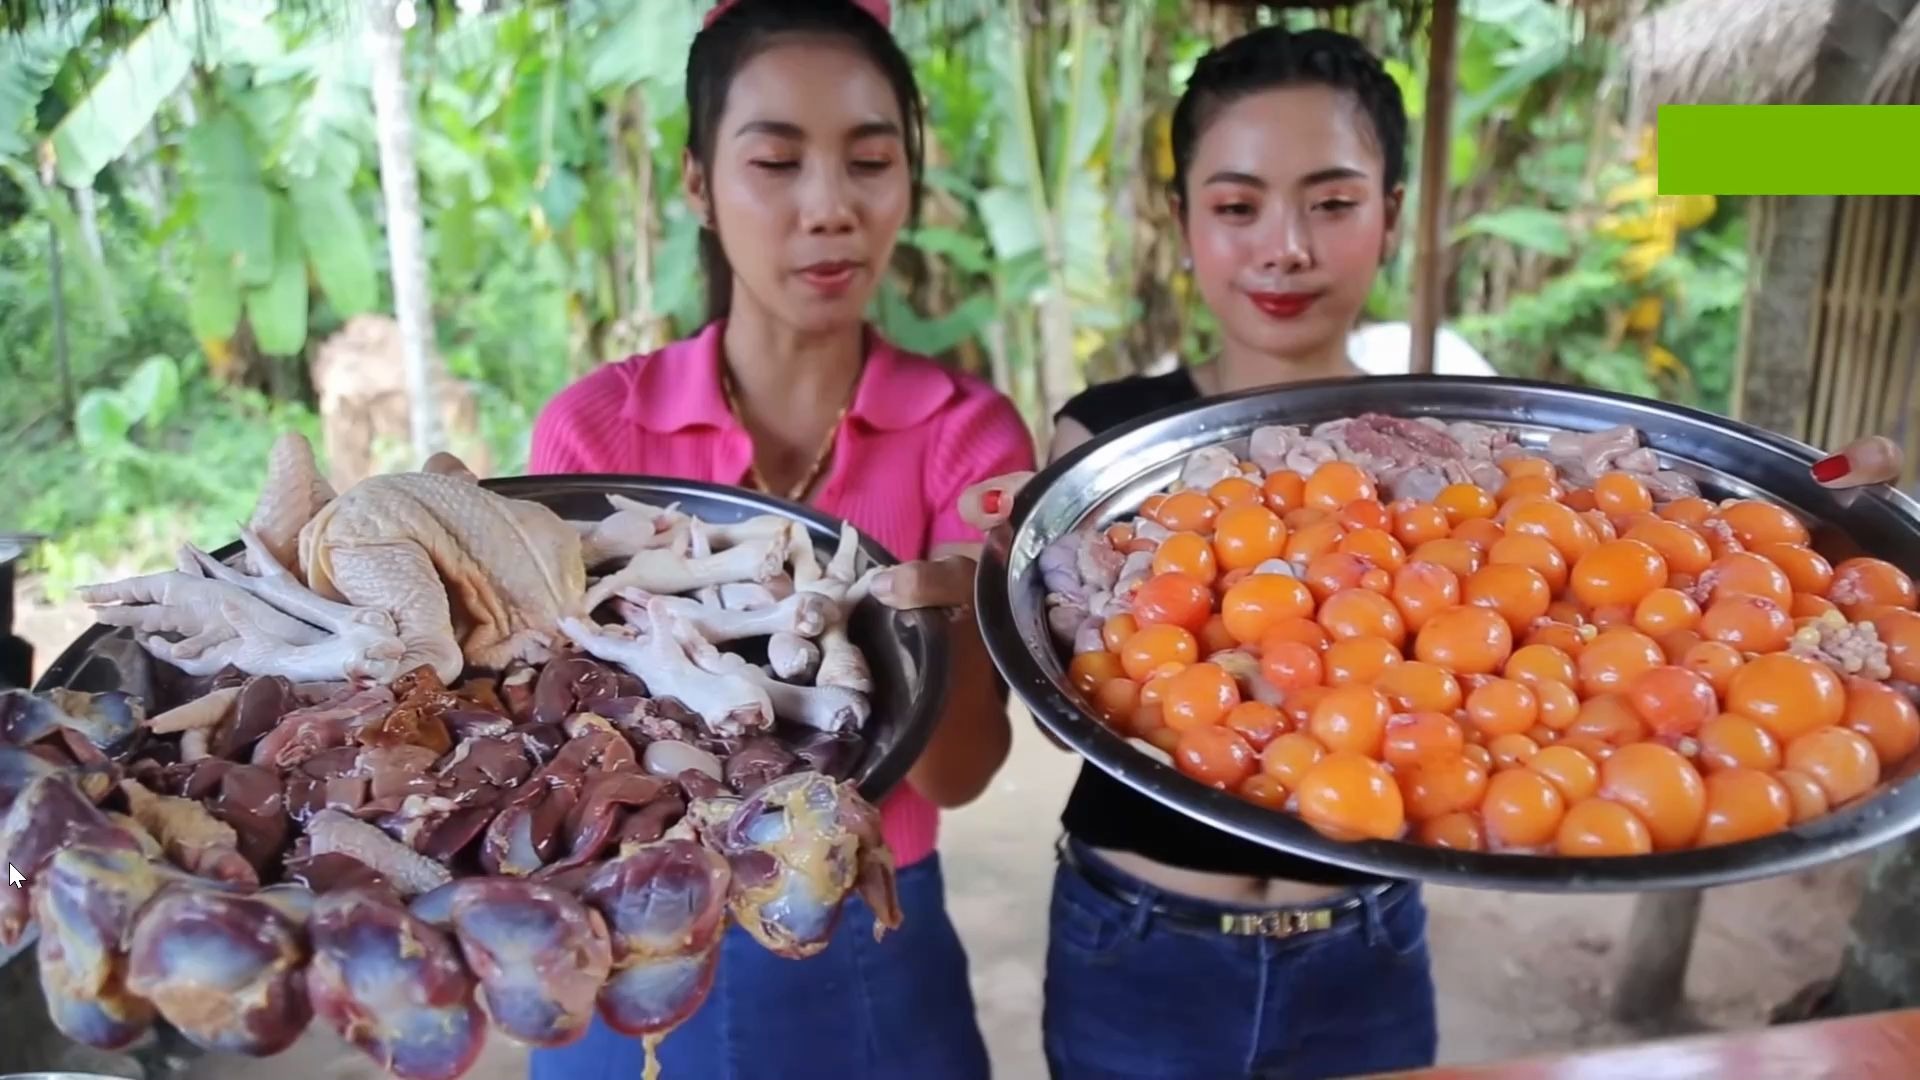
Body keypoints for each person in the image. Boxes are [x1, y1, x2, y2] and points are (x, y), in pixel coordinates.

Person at [524, 2, 1032, 1077]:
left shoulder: (965, 438)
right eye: (777, 161)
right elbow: (557, 719)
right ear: (699, 183)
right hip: (624, 930)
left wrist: (941, 623)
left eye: (869, 161)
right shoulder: (597, 431)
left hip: (866, 938)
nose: (830, 208)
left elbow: (959, 777)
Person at [962, 27, 1443, 1080]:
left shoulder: (1443, 447)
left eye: (1332, 201)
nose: (1285, 248)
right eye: (1237, 206)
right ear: (1182, 222)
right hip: (1138, 941)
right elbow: (1071, 696)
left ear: (1391, 215)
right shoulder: (1104, 441)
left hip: (1367, 942)